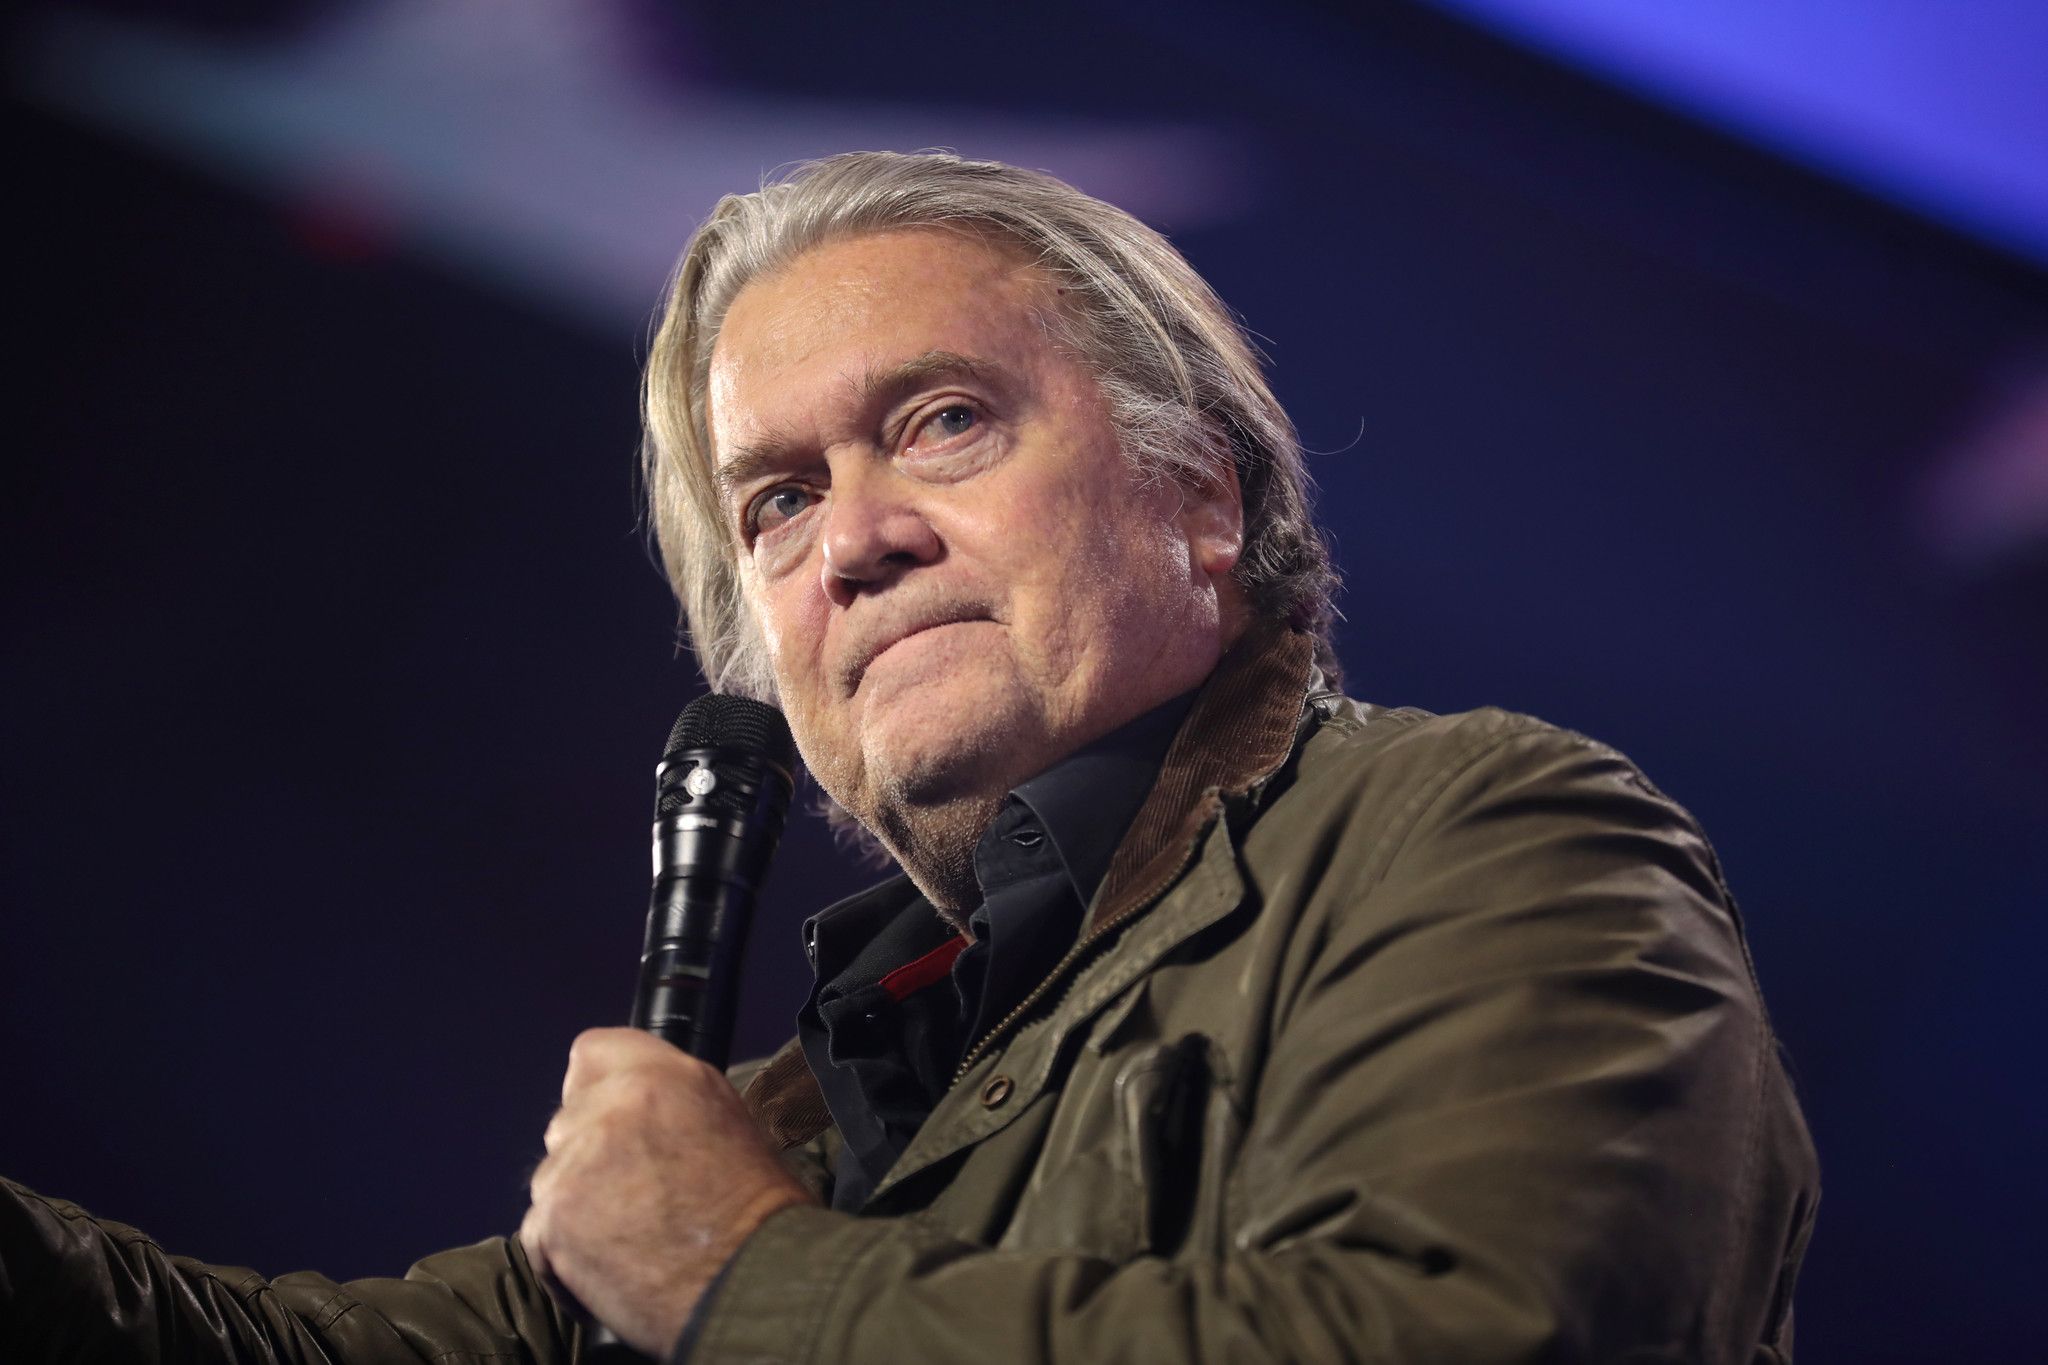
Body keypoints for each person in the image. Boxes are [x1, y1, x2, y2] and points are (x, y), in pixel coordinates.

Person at [1, 151, 1818, 1363]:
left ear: (1202, 494)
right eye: (776, 503)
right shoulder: (818, 1099)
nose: (850, 541)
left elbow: (1471, 1336)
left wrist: (745, 1277)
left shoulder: (1489, 835)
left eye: (941, 422)